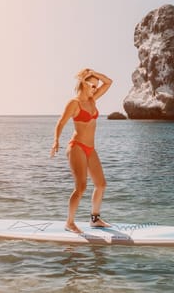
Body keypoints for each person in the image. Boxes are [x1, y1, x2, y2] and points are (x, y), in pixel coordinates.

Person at [50, 68, 113, 233]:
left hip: (90, 148)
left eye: (95, 86)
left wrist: (95, 74)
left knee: (101, 184)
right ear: (84, 84)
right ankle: (69, 223)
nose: (95, 89)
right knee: (81, 187)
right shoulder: (74, 103)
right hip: (76, 146)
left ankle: (95, 219)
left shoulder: (93, 100)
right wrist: (56, 140)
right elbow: (61, 123)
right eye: (92, 85)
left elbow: (109, 82)